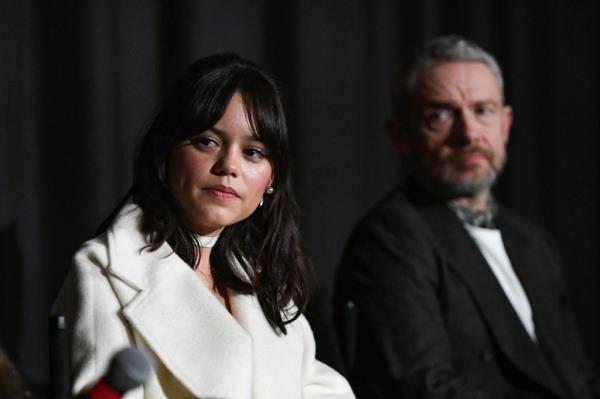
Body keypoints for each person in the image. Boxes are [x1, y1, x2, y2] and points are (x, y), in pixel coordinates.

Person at [53, 53, 354, 398]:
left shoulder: (264, 282)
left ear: (272, 180)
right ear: (166, 154)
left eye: (253, 151)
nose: (229, 165)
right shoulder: (104, 270)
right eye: (207, 142)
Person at [334, 35, 600, 398]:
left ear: (505, 125)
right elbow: (426, 390)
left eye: (483, 110)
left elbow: (576, 376)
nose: (469, 133)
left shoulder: (533, 241)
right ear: (400, 136)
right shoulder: (389, 238)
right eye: (439, 116)